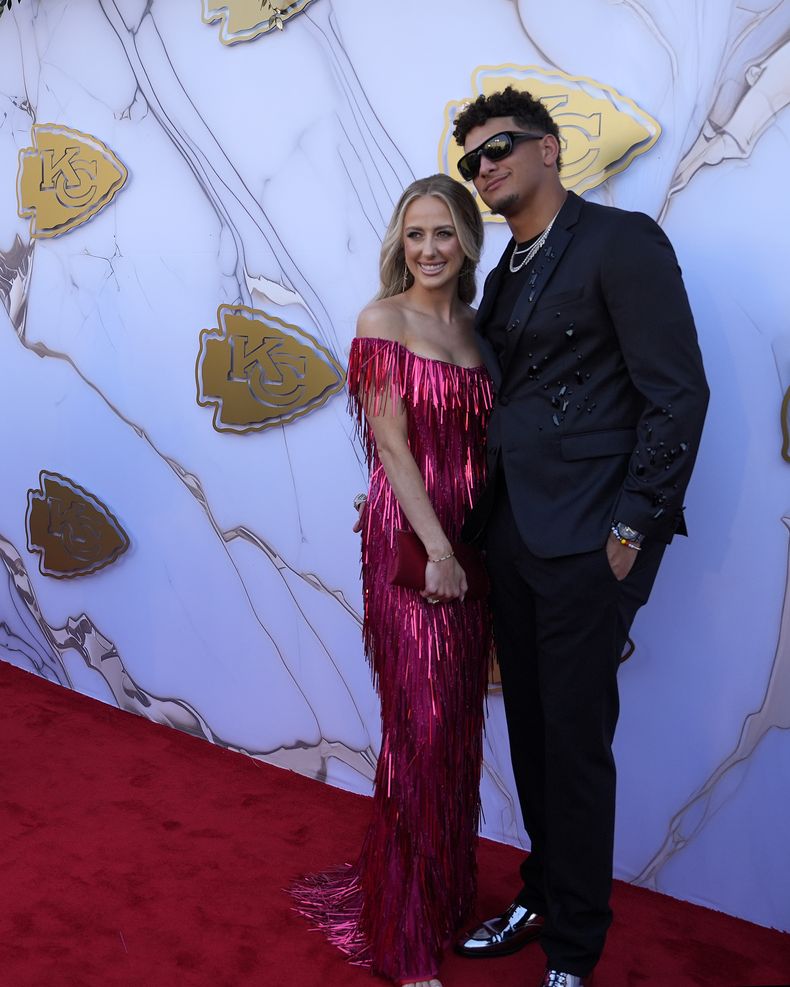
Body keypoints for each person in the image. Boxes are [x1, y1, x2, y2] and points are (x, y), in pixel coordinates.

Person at [450, 88, 709, 987]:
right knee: (531, 734)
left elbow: (678, 393)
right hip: (514, 534)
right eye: (472, 159)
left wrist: (633, 525)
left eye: (500, 147)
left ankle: (575, 945)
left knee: (574, 742)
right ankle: (542, 893)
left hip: (593, 538)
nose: (485, 167)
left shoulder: (620, 242)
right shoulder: (505, 272)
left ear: (551, 149)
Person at [290, 174, 493, 987]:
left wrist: (469, 549)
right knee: (421, 731)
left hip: (472, 546)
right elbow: (393, 446)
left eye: (444, 233)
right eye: (415, 234)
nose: (429, 249)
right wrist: (437, 548)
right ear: (398, 243)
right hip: (414, 545)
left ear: (468, 240)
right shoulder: (383, 321)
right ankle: (405, 940)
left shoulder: (478, 328)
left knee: (458, 733)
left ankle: (440, 897)